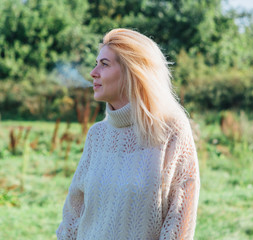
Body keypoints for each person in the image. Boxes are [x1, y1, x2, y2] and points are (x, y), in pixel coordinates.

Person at [56, 28, 200, 240]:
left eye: (104, 64)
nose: (93, 72)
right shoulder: (97, 136)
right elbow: (73, 214)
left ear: (133, 71)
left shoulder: (171, 130)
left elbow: (179, 221)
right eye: (96, 63)